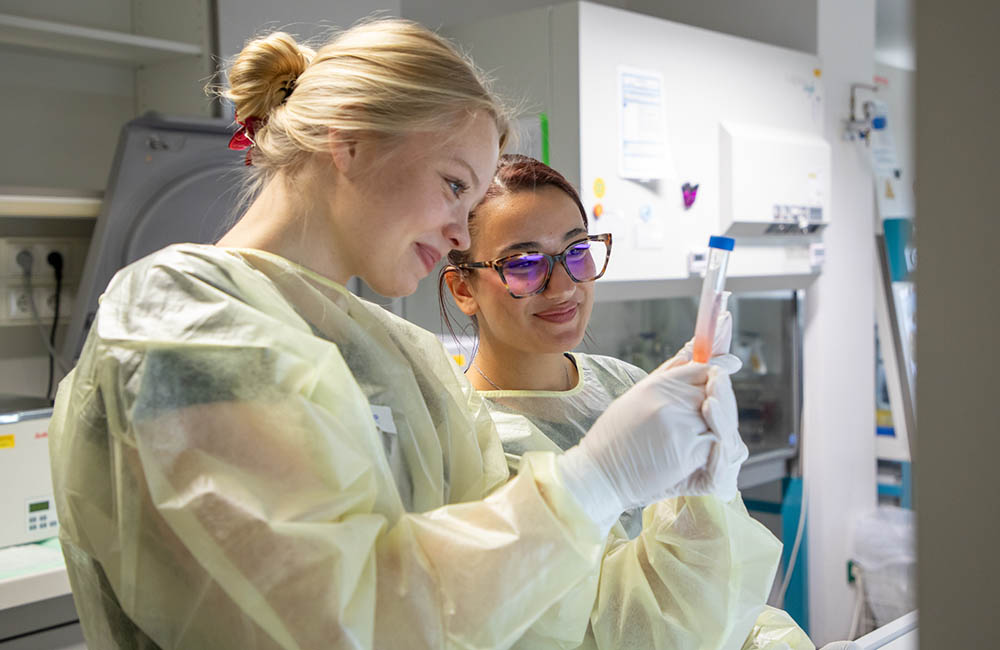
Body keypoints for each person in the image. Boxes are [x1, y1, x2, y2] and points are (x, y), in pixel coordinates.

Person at [49, 20, 746, 650]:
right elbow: (328, 624)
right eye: (454, 185)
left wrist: (695, 507)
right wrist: (593, 481)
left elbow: (546, 619)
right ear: (350, 141)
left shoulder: (407, 362)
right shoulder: (182, 321)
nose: (458, 235)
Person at [441, 154, 817, 649]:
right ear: (463, 288)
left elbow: (723, 604)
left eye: (577, 251)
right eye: (524, 265)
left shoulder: (624, 383)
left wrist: (711, 496)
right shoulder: (464, 438)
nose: (564, 285)